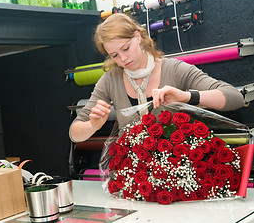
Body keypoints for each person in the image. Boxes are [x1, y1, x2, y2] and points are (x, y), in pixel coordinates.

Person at [69, 13, 244, 143]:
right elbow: (74, 133)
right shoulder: (110, 80)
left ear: (137, 36)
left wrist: (187, 97)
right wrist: (92, 125)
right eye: (114, 55)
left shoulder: (174, 69)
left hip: (178, 171)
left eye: (126, 48)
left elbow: (235, 98)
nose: (122, 59)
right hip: (133, 175)